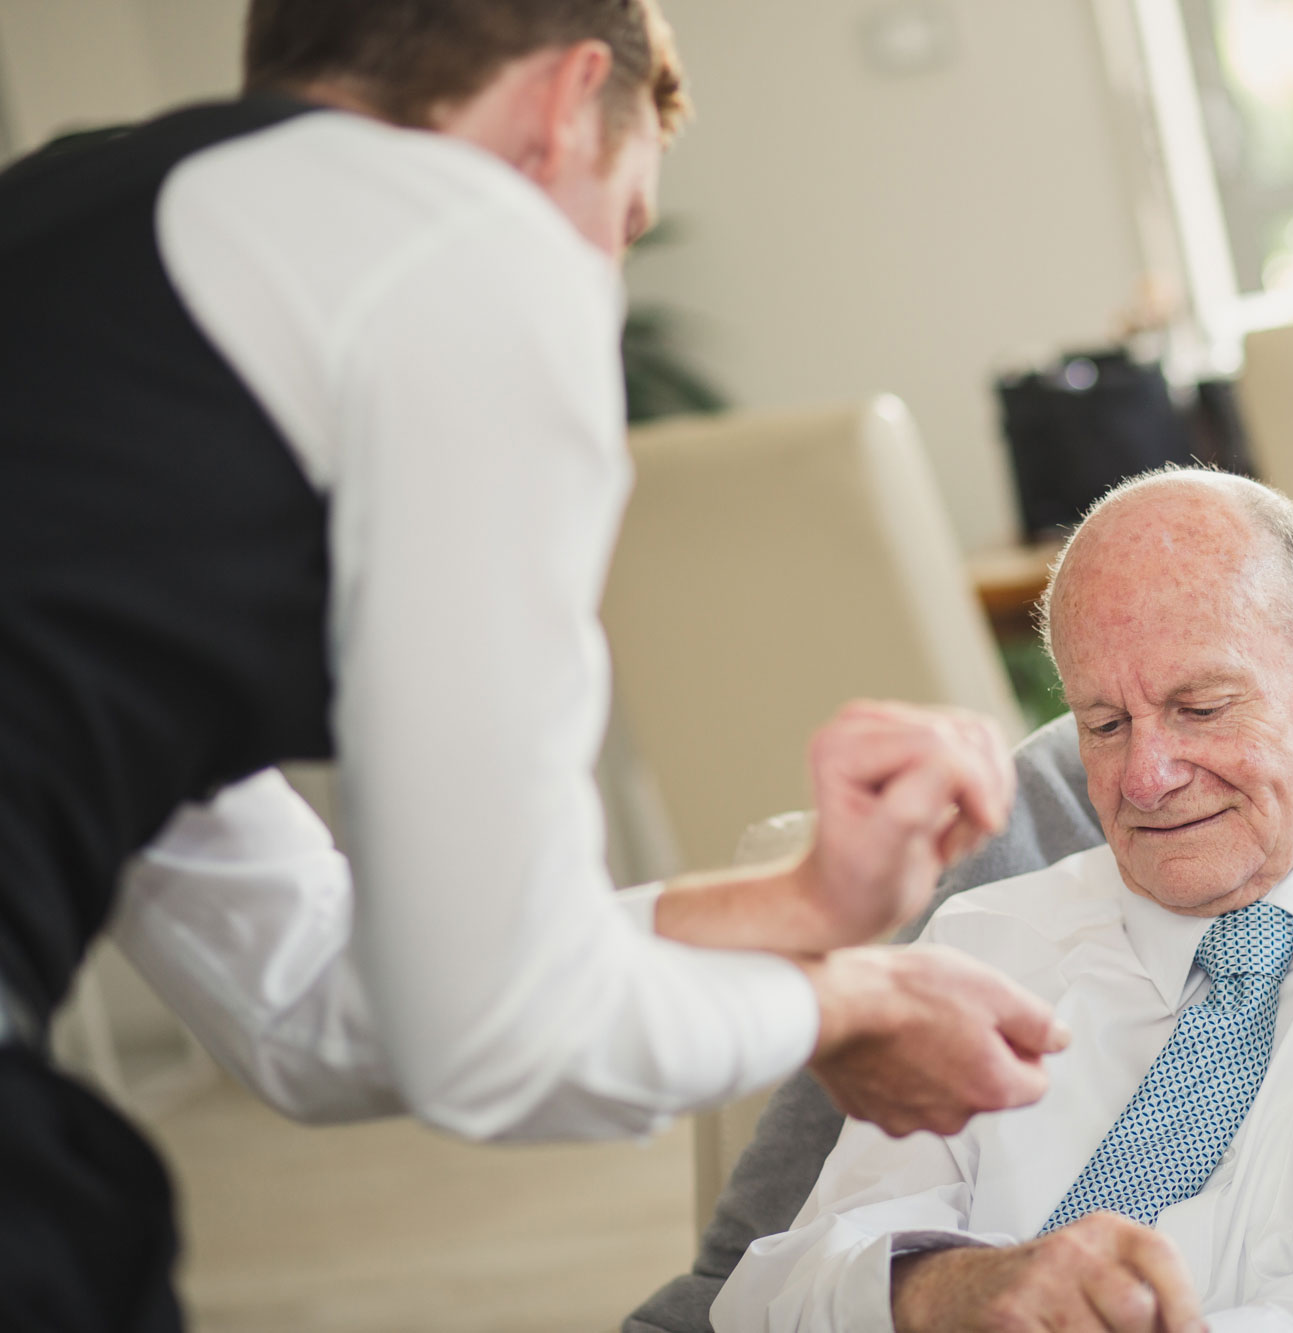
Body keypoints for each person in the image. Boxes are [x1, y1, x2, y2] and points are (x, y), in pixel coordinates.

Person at [0, 2, 1065, 1329]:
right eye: (619, 225)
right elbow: (490, 1038)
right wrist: (842, 1006)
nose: (596, 297)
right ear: (563, 108)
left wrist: (797, 907)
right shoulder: (463, 242)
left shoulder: (72, 243)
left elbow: (296, 996)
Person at [715, 471, 1293, 1332]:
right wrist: (949, 1289)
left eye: (1201, 707)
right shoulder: (984, 940)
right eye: (1104, 725)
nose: (1145, 779)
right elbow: (774, 1293)